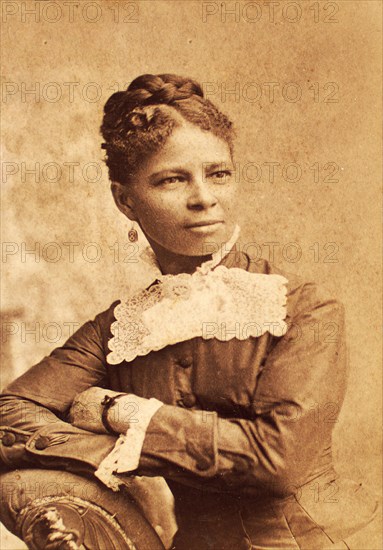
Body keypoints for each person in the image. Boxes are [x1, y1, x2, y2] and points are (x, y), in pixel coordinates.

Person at [0, 73, 379, 550]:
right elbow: (10, 414)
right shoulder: (120, 329)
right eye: (173, 179)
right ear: (126, 200)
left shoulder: (302, 308)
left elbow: (279, 462)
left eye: (218, 173)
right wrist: (123, 459)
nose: (204, 198)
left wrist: (123, 412)